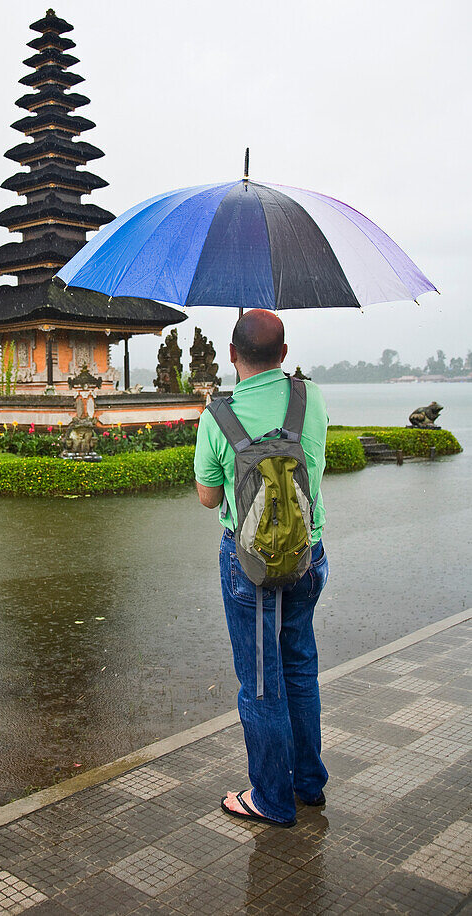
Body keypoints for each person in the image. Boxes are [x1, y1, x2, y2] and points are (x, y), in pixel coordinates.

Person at [194, 309, 329, 827]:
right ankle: (308, 783)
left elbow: (209, 498)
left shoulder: (216, 416)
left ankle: (270, 798)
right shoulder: (310, 398)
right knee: (299, 666)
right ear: (285, 353)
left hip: (248, 566)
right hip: (308, 554)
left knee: (259, 681)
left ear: (231, 355)